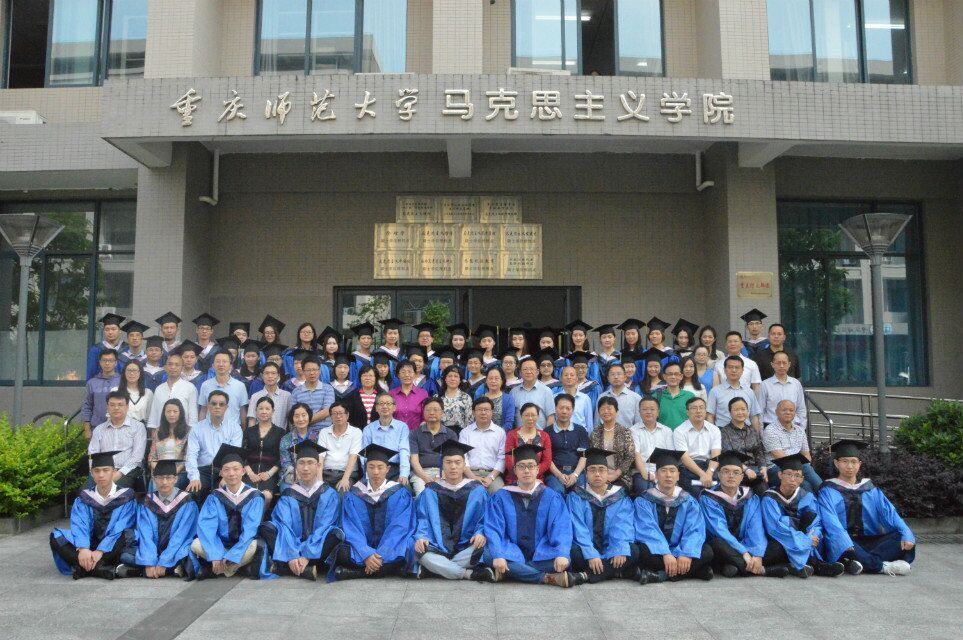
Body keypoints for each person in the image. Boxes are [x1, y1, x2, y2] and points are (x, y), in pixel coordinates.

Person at [480, 443, 582, 587]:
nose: (526, 470)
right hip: (510, 550)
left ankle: (513, 571)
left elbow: (561, 527)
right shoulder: (501, 496)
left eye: (531, 466)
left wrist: (561, 553)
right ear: (515, 470)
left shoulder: (552, 497)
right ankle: (546, 578)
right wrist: (498, 554)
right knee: (489, 555)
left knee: (565, 557)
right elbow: (493, 528)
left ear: (538, 469)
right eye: (521, 466)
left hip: (542, 552)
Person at [817, 439, 915, 576]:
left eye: (854, 462)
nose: (849, 466)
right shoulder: (827, 490)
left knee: (901, 537)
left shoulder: (871, 490)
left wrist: (906, 533)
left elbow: (890, 514)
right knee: (840, 542)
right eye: (844, 461)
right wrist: (844, 541)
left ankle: (858, 562)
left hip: (870, 541)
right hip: (845, 541)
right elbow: (831, 523)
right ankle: (882, 566)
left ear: (860, 464)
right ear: (836, 463)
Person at [259, 440, 342, 581]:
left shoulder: (329, 494)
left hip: (316, 547)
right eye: (301, 463)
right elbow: (284, 525)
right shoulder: (289, 494)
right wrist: (293, 554)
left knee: (336, 534)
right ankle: (300, 566)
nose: (305, 468)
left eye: (310, 463)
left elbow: (325, 526)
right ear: (296, 467)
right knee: (267, 528)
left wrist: (306, 555)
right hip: (292, 547)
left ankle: (286, 566)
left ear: (318, 466)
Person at [699, 450, 789, 578]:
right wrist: (743, 552)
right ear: (719, 475)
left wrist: (757, 554)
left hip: (745, 544)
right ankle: (764, 570)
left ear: (742, 477)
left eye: (736, 472)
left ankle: (734, 567)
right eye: (726, 471)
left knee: (778, 545)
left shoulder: (750, 497)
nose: (731, 476)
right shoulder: (708, 498)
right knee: (716, 545)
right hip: (724, 544)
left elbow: (756, 527)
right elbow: (719, 530)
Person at [190, 444, 273, 580]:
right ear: (221, 473)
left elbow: (250, 530)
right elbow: (207, 527)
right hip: (220, 545)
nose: (231, 473)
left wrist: (234, 554)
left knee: (255, 546)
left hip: (243, 546)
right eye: (226, 470)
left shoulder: (255, 496)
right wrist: (215, 554)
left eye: (236, 469)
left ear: (243, 471)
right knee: (196, 544)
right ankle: (233, 567)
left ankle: (221, 568)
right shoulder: (214, 497)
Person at [50, 450, 137, 580]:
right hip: (89, 544)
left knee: (126, 533)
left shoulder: (126, 497)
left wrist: (101, 550)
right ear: (92, 473)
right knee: (56, 537)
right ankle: (98, 569)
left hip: (112, 546)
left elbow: (121, 527)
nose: (101, 475)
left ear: (113, 471)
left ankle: (84, 568)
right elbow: (79, 524)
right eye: (97, 471)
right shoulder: (84, 498)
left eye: (106, 470)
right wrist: (83, 548)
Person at [333, 444, 415, 580]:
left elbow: (400, 526)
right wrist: (366, 553)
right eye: (371, 467)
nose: (376, 472)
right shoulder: (354, 494)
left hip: (390, 547)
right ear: (366, 468)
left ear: (387, 469)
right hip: (363, 549)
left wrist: (382, 553)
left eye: (380, 467)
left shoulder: (399, 493)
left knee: (408, 548)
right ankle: (382, 569)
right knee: (341, 552)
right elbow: (351, 527)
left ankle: (357, 573)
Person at [412, 440, 491, 581]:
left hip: (467, 546)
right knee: (419, 551)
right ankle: (467, 574)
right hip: (437, 546)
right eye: (448, 462)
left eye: (457, 462)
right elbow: (422, 518)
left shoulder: (477, 490)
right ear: (442, 465)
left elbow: (485, 517)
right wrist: (422, 537)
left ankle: (435, 569)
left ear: (464, 465)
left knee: (485, 547)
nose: (453, 466)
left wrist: (480, 532)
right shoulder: (430, 491)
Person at [633, 448, 714, 583]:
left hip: (681, 548)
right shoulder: (644, 500)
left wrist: (686, 553)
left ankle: (661, 575)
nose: (668, 475)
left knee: (707, 551)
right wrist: (665, 553)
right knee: (642, 551)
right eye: (663, 471)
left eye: (672, 471)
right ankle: (693, 571)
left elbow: (694, 529)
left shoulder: (688, 500)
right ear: (656, 475)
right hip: (658, 551)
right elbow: (647, 529)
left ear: (678, 475)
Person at [761, 453, 844, 578]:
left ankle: (800, 566)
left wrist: (813, 536)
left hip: (803, 537)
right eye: (789, 474)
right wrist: (805, 540)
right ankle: (816, 565)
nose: (793, 479)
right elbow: (775, 528)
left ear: (802, 479)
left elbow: (816, 521)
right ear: (780, 475)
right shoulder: (770, 498)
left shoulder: (806, 496)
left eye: (797, 476)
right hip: (779, 539)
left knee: (814, 527)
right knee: (779, 546)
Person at [117, 459, 199, 579]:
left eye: (169, 478)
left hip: (176, 549)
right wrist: (150, 561)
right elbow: (145, 534)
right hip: (152, 550)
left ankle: (141, 570)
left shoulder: (187, 502)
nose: (164, 482)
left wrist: (164, 561)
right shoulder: (147, 502)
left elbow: (181, 535)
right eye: (160, 478)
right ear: (154, 479)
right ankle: (170, 570)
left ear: (176, 479)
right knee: (125, 556)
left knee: (188, 554)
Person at [567, 447, 639, 583]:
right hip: (586, 548)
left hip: (612, 548)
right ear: (586, 474)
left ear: (607, 473)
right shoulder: (576, 496)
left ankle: (586, 575)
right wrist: (590, 553)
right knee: (574, 552)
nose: (597, 474)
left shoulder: (619, 496)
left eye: (601, 469)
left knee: (632, 550)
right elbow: (578, 528)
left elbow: (623, 524)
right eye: (592, 470)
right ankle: (617, 572)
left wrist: (619, 548)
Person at [185, 391, 244, 495]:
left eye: (221, 404)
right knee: (193, 492)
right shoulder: (197, 428)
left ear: (226, 407)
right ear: (208, 405)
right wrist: (194, 478)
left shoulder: (235, 428)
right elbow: (191, 455)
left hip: (224, 471)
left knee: (227, 491)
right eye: (213, 403)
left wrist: (226, 477)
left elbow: (233, 456)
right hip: (203, 471)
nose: (217, 407)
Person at [87, 391, 147, 489]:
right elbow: (92, 454)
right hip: (102, 471)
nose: (116, 408)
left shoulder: (138, 427)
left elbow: (137, 457)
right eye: (112, 405)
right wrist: (94, 472)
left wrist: (119, 473)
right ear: (107, 407)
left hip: (128, 471)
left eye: (120, 405)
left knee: (115, 492)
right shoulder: (99, 429)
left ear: (127, 407)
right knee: (86, 493)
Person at [763, 400, 822, 493]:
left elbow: (807, 455)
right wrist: (799, 471)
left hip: (798, 467)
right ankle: (824, 496)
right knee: (805, 483)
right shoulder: (770, 430)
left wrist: (799, 470)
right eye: (784, 410)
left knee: (808, 474)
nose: (788, 412)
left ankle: (826, 497)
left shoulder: (800, 430)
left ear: (795, 413)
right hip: (777, 469)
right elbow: (780, 458)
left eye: (791, 410)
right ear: (776, 412)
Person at [408, 397, 457, 496]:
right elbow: (414, 460)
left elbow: (453, 460)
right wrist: (426, 478)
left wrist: (441, 476)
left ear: (442, 413)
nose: (431, 413)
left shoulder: (450, 434)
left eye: (435, 410)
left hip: (444, 473)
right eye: (428, 410)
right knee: (422, 494)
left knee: (446, 496)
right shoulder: (414, 434)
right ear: (423, 413)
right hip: (420, 474)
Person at [672, 397, 721, 497]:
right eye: (694, 408)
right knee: (697, 494)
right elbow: (684, 458)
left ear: (705, 410)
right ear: (687, 412)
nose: (698, 411)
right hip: (688, 468)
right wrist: (702, 474)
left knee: (718, 493)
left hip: (710, 467)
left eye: (701, 407)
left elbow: (716, 455)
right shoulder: (679, 431)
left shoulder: (714, 429)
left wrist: (709, 473)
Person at [718, 398, 769, 493]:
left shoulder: (752, 431)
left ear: (748, 411)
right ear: (730, 412)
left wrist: (763, 467)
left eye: (743, 409)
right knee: (745, 494)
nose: (740, 412)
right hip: (735, 472)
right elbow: (728, 455)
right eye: (737, 410)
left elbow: (759, 452)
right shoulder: (724, 432)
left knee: (763, 489)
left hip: (755, 471)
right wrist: (746, 470)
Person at [360, 393, 411, 485]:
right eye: (381, 403)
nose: (385, 406)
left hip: (395, 469)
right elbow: (364, 455)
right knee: (358, 491)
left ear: (394, 407)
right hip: (374, 470)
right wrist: (368, 475)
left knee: (402, 490)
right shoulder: (368, 429)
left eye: (388, 403)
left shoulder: (402, 427)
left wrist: (404, 474)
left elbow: (404, 451)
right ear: (376, 408)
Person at [460, 397, 507, 495]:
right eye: (480, 410)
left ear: (492, 412)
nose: (483, 412)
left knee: (500, 493)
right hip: (470, 473)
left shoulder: (500, 433)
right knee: (464, 494)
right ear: (473, 412)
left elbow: (502, 458)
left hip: (493, 475)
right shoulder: (465, 432)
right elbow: (463, 457)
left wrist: (491, 477)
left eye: (486, 410)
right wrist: (473, 477)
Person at [242, 396, 285, 504]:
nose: (264, 411)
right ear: (256, 411)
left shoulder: (280, 433)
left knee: (267, 496)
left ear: (273, 411)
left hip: (270, 473)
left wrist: (269, 474)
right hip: (249, 472)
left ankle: (259, 515)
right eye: (260, 408)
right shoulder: (248, 432)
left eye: (267, 409)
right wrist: (250, 474)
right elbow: (242, 454)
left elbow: (282, 458)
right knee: (246, 494)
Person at [628, 396, 674, 495]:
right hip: (642, 472)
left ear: (658, 412)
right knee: (646, 490)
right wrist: (645, 474)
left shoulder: (667, 431)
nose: (648, 412)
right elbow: (636, 454)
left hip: (663, 471)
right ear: (639, 412)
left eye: (652, 409)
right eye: (644, 409)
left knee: (672, 492)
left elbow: (670, 455)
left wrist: (664, 474)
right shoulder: (633, 431)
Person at [589, 396, 636, 492]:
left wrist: (615, 475)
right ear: (599, 413)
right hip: (598, 475)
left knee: (614, 494)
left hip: (621, 476)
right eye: (602, 409)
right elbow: (591, 455)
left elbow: (630, 456)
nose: (606, 411)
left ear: (616, 411)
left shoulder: (624, 431)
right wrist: (601, 476)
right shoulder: (595, 432)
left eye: (609, 408)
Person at [545, 394, 590, 494]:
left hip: (577, 472)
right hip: (554, 474)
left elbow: (583, 456)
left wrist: (575, 475)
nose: (564, 411)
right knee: (557, 491)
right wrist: (559, 475)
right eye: (561, 408)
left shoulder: (580, 430)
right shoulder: (547, 432)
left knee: (580, 492)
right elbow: (547, 458)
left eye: (568, 408)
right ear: (555, 409)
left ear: (572, 410)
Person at [317, 401, 363, 492]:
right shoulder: (324, 432)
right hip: (326, 473)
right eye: (334, 414)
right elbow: (320, 457)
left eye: (341, 413)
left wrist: (345, 479)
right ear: (330, 416)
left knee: (343, 493)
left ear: (347, 415)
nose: (338, 416)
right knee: (322, 494)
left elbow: (353, 456)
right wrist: (319, 480)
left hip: (347, 474)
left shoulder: (356, 432)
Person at [706, 356, 762, 429]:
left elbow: (754, 417)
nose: (734, 370)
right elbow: (710, 416)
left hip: (746, 432)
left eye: (737, 367)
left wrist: (756, 435)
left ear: (742, 370)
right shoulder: (715, 391)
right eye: (730, 367)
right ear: (724, 370)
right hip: (722, 431)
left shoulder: (749, 391)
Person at [147, 351, 199, 429]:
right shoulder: (159, 389)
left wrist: (189, 434)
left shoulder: (190, 388)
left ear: (182, 367)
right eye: (170, 364)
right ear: (165, 367)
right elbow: (153, 416)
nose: (173, 367)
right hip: (161, 433)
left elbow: (193, 417)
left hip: (183, 433)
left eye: (177, 365)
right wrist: (154, 434)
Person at [504, 403, 553, 485]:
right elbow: (509, 461)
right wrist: (522, 475)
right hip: (515, 479)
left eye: (533, 415)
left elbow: (547, 461)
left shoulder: (544, 436)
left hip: (537, 479)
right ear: (521, 416)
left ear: (538, 416)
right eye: (526, 415)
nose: (530, 418)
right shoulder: (512, 435)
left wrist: (531, 474)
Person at [148, 399, 190, 489]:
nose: (171, 414)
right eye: (168, 411)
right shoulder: (157, 431)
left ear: (180, 413)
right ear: (164, 413)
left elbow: (187, 457)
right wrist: (160, 472)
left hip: (179, 472)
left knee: (168, 485)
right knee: (155, 486)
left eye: (175, 411)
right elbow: (152, 456)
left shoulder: (188, 431)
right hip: (159, 471)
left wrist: (172, 473)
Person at [757, 351, 807, 428]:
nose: (781, 366)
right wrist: (761, 432)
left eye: (784, 363)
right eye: (778, 363)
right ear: (772, 365)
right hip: (771, 427)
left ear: (789, 364)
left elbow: (801, 409)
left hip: (793, 427)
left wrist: (802, 429)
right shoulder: (765, 385)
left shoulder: (796, 384)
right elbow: (760, 410)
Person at [278, 403, 321, 492]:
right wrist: (297, 473)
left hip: (313, 476)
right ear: (292, 419)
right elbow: (285, 463)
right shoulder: (286, 439)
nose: (300, 419)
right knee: (289, 493)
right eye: (296, 416)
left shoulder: (317, 437)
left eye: (304, 415)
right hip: (292, 477)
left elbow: (320, 460)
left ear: (309, 416)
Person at [199, 351, 249, 425]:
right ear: (213, 365)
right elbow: (203, 410)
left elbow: (242, 411)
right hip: (210, 429)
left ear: (230, 365)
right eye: (218, 361)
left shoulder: (240, 386)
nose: (221, 364)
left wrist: (243, 428)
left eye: (224, 361)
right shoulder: (205, 385)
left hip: (233, 429)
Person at [82, 348, 121, 439]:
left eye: (110, 360)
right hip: (97, 428)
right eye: (104, 360)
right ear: (100, 362)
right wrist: (87, 430)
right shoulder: (92, 383)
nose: (107, 363)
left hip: (119, 428)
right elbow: (86, 406)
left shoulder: (122, 381)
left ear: (115, 363)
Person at [510, 358, 556, 429]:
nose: (528, 372)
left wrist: (545, 435)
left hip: (540, 434)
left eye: (531, 369)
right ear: (520, 373)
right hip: (519, 434)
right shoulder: (513, 392)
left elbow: (551, 417)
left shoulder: (546, 391)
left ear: (537, 372)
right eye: (525, 369)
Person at [246, 362, 292, 428]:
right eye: (267, 373)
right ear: (262, 376)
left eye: (273, 373)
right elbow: (252, 420)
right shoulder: (255, 396)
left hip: (281, 434)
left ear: (278, 376)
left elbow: (291, 419)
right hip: (259, 434)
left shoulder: (286, 396)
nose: (270, 376)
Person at [596, 363, 641, 428]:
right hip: (606, 433)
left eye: (619, 374)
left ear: (625, 377)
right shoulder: (601, 397)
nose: (616, 377)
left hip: (629, 434)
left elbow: (639, 423)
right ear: (608, 378)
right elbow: (597, 422)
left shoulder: (636, 398)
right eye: (612, 374)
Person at [653, 361, 694, 429]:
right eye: (670, 374)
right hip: (662, 435)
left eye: (676, 374)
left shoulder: (690, 396)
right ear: (664, 376)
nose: (673, 377)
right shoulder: (656, 396)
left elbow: (694, 418)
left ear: (681, 376)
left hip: (684, 434)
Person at [390, 361, 430, 432]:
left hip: (416, 434)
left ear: (414, 374)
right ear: (398, 375)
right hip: (395, 433)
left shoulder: (423, 394)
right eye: (403, 372)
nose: (407, 375)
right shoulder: (391, 394)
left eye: (410, 372)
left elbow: (426, 416)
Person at [86, 313, 126, 381]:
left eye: (113, 329)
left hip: (123, 386)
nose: (110, 332)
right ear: (104, 331)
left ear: (119, 331)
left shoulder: (126, 348)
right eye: (107, 329)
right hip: (101, 385)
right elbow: (91, 372)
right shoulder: (96, 349)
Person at [555, 365, 594, 433]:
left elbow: (589, 423)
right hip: (560, 435)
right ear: (561, 378)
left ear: (576, 378)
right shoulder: (555, 398)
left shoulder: (585, 399)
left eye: (572, 375)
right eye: (566, 375)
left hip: (581, 436)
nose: (569, 377)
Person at [476, 365, 516, 430]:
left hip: (501, 434)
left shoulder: (508, 399)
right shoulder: (480, 398)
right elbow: (476, 419)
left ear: (502, 381)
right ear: (486, 380)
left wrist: (497, 434)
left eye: (496, 378)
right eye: (490, 378)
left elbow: (509, 423)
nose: (493, 381)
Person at [114, 360, 153, 426]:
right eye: (129, 370)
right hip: (120, 428)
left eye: (135, 370)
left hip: (141, 429)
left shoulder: (148, 393)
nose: (132, 373)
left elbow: (149, 417)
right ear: (124, 372)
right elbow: (111, 415)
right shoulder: (116, 391)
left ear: (140, 373)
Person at [440, 365, 473, 433]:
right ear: (445, 379)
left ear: (460, 380)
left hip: (461, 434)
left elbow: (470, 421)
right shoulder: (438, 397)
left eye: (456, 376)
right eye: (449, 376)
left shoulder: (466, 398)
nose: (452, 379)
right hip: (442, 434)